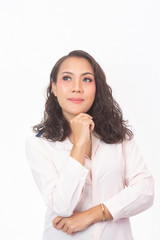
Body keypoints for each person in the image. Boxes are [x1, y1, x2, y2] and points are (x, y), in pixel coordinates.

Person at [25, 50, 154, 240]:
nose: (77, 88)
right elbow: (62, 205)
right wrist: (80, 143)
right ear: (54, 87)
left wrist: (91, 215)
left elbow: (145, 191)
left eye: (86, 79)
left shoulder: (120, 137)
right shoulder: (40, 145)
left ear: (97, 87)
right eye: (67, 78)